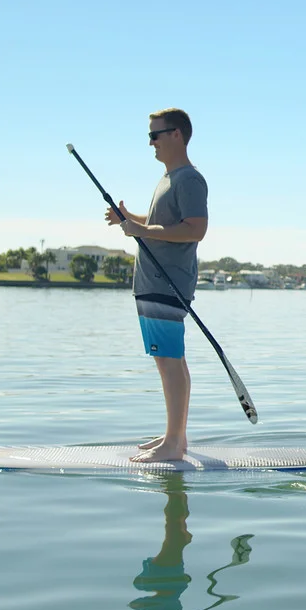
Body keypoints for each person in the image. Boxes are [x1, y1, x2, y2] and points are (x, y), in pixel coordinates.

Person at [106, 108, 209, 463]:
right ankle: (174, 437)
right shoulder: (167, 179)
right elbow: (157, 224)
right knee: (168, 361)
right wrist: (128, 218)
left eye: (155, 134)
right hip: (151, 283)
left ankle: (174, 443)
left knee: (169, 361)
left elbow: (195, 229)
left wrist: (142, 230)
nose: (150, 142)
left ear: (176, 134)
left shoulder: (188, 180)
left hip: (168, 283)